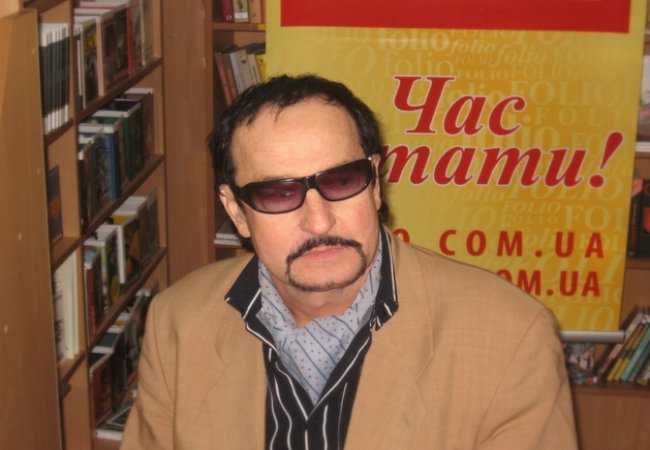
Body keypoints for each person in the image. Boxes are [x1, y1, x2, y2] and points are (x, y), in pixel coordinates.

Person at [121, 75, 578, 450]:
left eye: (341, 181)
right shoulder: (176, 322)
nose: (319, 220)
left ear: (375, 183)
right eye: (278, 193)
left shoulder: (511, 338)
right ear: (236, 211)